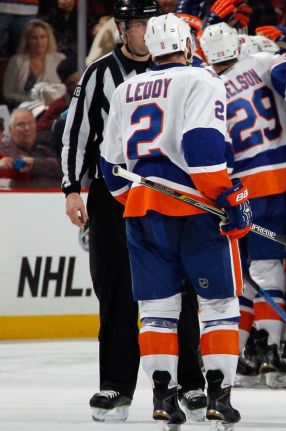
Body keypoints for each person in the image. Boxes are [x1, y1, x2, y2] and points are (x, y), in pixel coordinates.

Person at [60, 0, 207, 423]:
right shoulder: (99, 74)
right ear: (122, 29)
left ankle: (191, 384)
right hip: (113, 195)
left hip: (173, 192)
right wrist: (73, 189)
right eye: (139, 24)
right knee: (116, 292)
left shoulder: (185, 73)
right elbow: (77, 135)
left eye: (152, 23)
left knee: (179, 290)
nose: (147, 31)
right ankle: (116, 386)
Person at [100, 12, 247, 429]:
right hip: (197, 209)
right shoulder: (202, 80)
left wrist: (138, 198)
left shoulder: (127, 88)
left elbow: (111, 167)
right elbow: (202, 147)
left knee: (157, 310)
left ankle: (164, 398)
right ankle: (219, 398)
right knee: (218, 306)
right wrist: (227, 197)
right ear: (187, 45)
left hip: (142, 210)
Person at [200, 22, 286, 389]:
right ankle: (271, 349)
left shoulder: (207, 83)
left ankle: (241, 352)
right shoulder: (262, 60)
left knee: (244, 275)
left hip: (237, 187)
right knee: (274, 269)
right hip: (281, 179)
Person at [2, 19, 65, 108]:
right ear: (27, 40)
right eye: (34, 38)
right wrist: (32, 101)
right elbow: (8, 93)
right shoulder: (16, 61)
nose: (39, 42)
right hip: (24, 108)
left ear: (48, 39)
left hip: (54, 107)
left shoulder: (60, 59)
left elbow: (65, 89)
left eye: (42, 37)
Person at [0, 107, 60, 187]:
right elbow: (18, 165)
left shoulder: (44, 150)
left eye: (30, 123)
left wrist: (35, 163)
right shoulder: (4, 150)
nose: (27, 128)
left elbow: (61, 169)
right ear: (11, 130)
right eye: (21, 124)